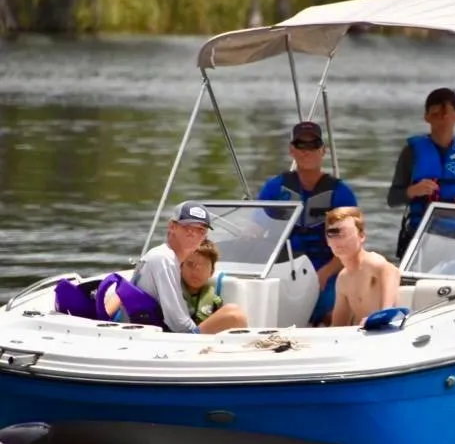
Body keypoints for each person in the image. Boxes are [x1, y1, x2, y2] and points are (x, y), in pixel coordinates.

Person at [256, 121, 358, 327]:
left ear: (323, 151)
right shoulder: (275, 188)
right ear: (292, 150)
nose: (307, 151)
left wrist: (325, 274)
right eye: (301, 145)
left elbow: (351, 248)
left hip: (325, 271)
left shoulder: (340, 193)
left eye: (313, 145)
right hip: (282, 268)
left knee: (333, 314)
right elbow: (254, 231)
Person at [111, 201, 248, 334]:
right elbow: (177, 323)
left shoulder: (166, 257)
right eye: (188, 227)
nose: (194, 234)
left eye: (201, 230)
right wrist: (196, 335)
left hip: (154, 331)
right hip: (155, 337)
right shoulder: (165, 259)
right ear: (172, 226)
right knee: (234, 315)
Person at [387, 87, 455, 259]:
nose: (442, 120)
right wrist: (412, 191)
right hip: (420, 237)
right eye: (435, 115)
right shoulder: (411, 153)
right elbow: (392, 199)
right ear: (426, 117)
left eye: (446, 115)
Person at [326, 207, 400, 327]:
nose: (338, 240)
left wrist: (382, 315)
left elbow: (392, 271)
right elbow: (338, 325)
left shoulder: (372, 263)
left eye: (343, 234)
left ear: (361, 236)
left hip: (385, 332)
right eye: (332, 234)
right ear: (327, 241)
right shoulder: (343, 279)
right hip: (363, 334)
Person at [180, 238, 244, 327]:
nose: (196, 271)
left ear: (212, 272)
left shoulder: (215, 302)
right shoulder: (170, 294)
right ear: (181, 266)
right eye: (190, 264)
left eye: (203, 267)